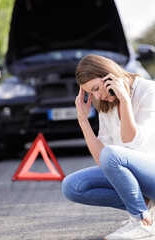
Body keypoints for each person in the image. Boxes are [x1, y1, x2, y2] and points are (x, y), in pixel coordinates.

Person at [62, 54, 155, 240]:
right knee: (72, 186)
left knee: (112, 154)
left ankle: (142, 222)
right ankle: (147, 209)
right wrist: (83, 120)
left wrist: (125, 101)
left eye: (96, 88)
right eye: (91, 93)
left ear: (108, 75)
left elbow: (133, 142)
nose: (97, 96)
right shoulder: (106, 104)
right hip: (136, 178)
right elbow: (102, 160)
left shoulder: (148, 90)